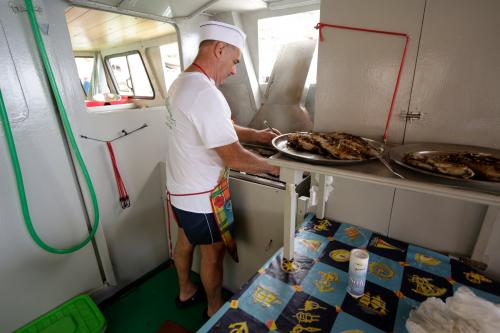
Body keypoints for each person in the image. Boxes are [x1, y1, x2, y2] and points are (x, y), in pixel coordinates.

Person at [164, 21, 280, 319]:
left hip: (179, 189)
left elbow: (220, 127)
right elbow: (233, 157)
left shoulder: (182, 82)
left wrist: (257, 135)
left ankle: (184, 290)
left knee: (185, 239)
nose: (234, 70)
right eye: (234, 61)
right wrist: (273, 168)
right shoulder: (205, 93)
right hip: (202, 197)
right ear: (219, 49)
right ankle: (214, 309)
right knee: (212, 253)